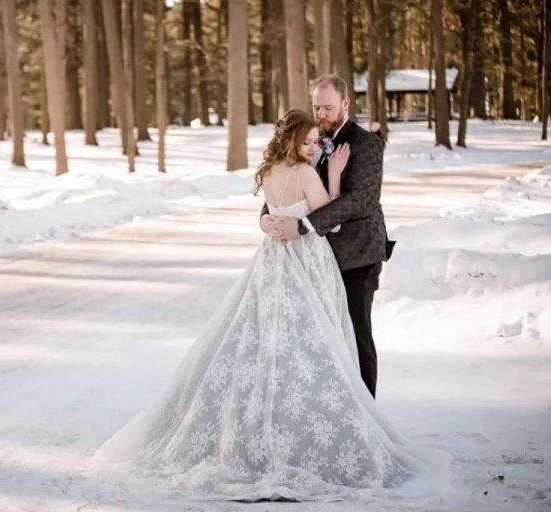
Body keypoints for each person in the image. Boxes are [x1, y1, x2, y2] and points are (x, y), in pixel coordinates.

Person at [91, 109, 427, 502]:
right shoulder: (305, 173)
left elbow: (271, 212)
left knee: (269, 338)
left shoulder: (268, 173)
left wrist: (274, 219)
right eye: (307, 141)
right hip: (305, 259)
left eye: (315, 140)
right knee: (312, 340)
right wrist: (333, 176)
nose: (314, 146)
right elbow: (330, 221)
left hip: (271, 260)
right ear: (291, 141)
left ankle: (268, 419)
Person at [261, 74, 394, 398]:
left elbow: (358, 200)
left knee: (355, 332)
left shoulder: (366, 144)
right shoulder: (307, 139)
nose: (320, 114)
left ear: (346, 103)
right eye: (316, 107)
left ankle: (367, 415)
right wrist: (266, 219)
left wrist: (303, 225)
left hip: (357, 255)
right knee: (320, 338)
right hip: (312, 258)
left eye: (328, 108)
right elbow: (284, 187)